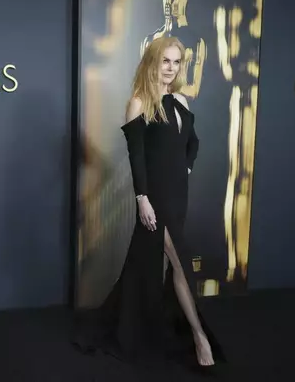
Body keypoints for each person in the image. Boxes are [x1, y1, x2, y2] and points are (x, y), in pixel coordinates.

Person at [72, 36, 225, 371]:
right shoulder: (139, 102)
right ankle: (200, 337)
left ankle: (129, 320)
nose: (170, 68)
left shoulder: (181, 101)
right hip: (155, 197)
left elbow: (193, 144)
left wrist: (185, 166)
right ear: (152, 61)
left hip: (178, 195)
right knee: (181, 263)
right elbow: (136, 158)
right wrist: (142, 199)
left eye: (176, 62)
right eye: (165, 61)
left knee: (149, 267)